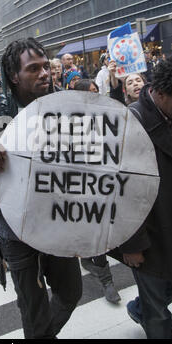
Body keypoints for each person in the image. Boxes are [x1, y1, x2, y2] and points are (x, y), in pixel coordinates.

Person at [0, 38, 82, 339]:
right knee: (33, 311)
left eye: (46, 66)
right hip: (16, 235)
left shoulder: (68, 114)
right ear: (14, 76)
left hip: (59, 224)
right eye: (34, 68)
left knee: (70, 293)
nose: (45, 73)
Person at [116, 54, 172, 339]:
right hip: (145, 233)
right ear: (160, 94)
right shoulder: (130, 123)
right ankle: (149, 312)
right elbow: (120, 189)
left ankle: (142, 309)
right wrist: (132, 243)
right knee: (159, 312)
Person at [73, 78, 121, 304]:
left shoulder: (107, 115)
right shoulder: (71, 122)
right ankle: (107, 280)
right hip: (84, 187)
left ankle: (90, 261)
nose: (96, 94)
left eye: (96, 90)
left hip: (106, 183)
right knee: (96, 231)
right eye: (90, 92)